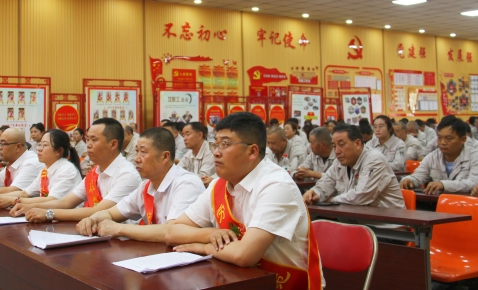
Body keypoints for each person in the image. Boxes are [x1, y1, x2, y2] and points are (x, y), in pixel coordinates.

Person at [165, 112, 322, 288]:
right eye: (215, 144)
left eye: (225, 144)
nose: (216, 152)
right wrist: (210, 234)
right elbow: (172, 232)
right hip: (237, 279)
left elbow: (244, 255)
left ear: (252, 151)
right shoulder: (219, 184)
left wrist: (204, 247)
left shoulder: (277, 185)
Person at [77, 128, 205, 241]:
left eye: (143, 152)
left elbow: (173, 231)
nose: (136, 158)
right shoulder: (146, 186)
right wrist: (92, 219)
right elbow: (111, 213)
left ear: (165, 157)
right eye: (136, 151)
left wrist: (119, 229)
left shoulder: (186, 184)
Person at [9, 118, 141, 223]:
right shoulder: (95, 172)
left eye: (94, 140)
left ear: (113, 144)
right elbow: (66, 202)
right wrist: (30, 207)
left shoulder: (127, 174)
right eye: (87, 139)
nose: (88, 145)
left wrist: (49, 213)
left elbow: (99, 211)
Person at [303, 124, 405, 209]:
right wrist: (315, 192)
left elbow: (361, 196)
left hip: (387, 223)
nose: (337, 151)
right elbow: (326, 182)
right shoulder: (340, 161)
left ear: (357, 144)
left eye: (341, 144)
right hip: (354, 220)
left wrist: (332, 200)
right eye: (334, 146)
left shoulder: (374, 159)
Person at [0, 129, 81, 208]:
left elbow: (52, 200)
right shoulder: (45, 170)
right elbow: (25, 193)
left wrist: (13, 201)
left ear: (59, 151)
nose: (39, 149)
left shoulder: (67, 170)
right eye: (39, 144)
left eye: (45, 145)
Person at [401, 118, 478, 194]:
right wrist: (409, 180)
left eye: (448, 138)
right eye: (439, 138)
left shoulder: (474, 156)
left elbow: (473, 182)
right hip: (438, 201)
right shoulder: (433, 156)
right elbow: (419, 175)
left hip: (463, 201)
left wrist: (444, 185)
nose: (442, 142)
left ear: (463, 140)